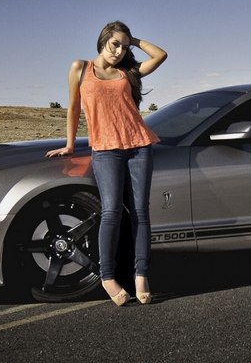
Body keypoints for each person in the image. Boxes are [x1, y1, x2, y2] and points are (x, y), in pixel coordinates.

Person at [46, 21, 167, 306]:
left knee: (140, 212)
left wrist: (133, 40)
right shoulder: (81, 68)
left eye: (124, 47)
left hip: (139, 146)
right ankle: (108, 275)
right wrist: (70, 144)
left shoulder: (128, 72)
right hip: (105, 150)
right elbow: (74, 107)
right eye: (115, 44)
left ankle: (141, 274)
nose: (119, 51)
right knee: (111, 212)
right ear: (102, 41)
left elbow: (160, 55)